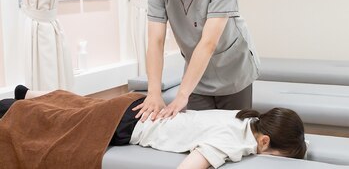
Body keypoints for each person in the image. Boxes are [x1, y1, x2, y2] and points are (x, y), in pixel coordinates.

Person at [1, 85, 307, 169]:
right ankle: (14, 106)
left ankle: (25, 93)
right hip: (127, 125)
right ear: (265, 142)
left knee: (78, 104)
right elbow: (191, 165)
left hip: (136, 106)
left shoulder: (244, 116)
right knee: (51, 123)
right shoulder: (234, 141)